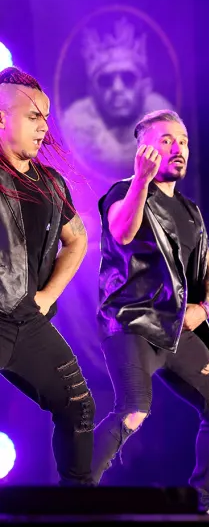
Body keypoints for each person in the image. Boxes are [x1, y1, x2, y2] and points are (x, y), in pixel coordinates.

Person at [91, 110, 209, 520]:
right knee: (133, 411)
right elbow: (122, 232)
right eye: (167, 140)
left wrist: (205, 308)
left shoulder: (191, 211)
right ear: (144, 149)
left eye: (184, 141)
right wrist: (141, 180)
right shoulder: (124, 191)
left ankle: (205, 504)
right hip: (132, 321)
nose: (179, 148)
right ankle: (75, 494)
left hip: (176, 329)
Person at [0, 67, 93, 486]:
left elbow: (78, 240)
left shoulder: (51, 184)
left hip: (29, 323)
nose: (43, 127)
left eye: (46, 118)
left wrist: (47, 295)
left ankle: (78, 509)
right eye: (33, 116)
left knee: (79, 407)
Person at [63, 18, 174, 174]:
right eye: (105, 80)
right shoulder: (75, 129)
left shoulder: (166, 124)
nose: (117, 88)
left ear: (145, 87)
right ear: (93, 92)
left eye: (128, 78)